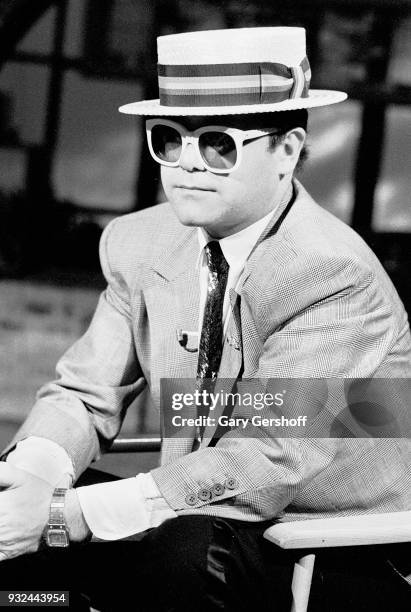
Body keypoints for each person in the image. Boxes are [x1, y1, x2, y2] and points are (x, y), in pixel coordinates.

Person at [0, 27, 410, 611]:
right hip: (194, 521)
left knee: (177, 550)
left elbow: (272, 457)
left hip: (332, 550)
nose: (188, 163)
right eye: (168, 139)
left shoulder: (332, 274)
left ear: (288, 150)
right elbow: (83, 394)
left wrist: (66, 516)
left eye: (219, 144)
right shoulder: (137, 242)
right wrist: (35, 483)